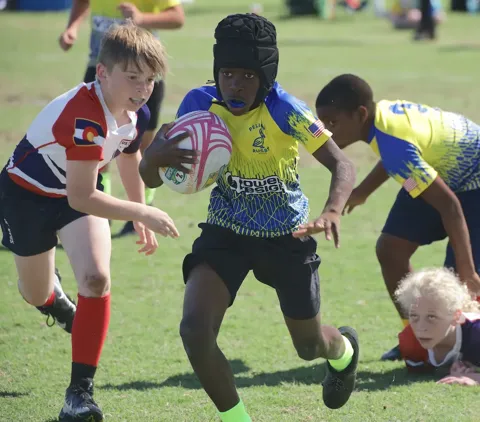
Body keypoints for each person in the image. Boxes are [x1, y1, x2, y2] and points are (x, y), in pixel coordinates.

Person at [140, 13, 360, 421]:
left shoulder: (286, 109)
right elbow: (150, 173)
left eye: (246, 75)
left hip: (286, 235)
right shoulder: (198, 105)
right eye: (227, 73)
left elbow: (343, 164)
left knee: (309, 347)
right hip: (225, 232)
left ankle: (343, 350)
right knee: (194, 331)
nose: (235, 84)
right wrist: (153, 159)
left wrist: (331, 210)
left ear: (266, 77)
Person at [0, 22, 179, 421]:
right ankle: (55, 303)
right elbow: (81, 195)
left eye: (150, 79)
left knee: (97, 279)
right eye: (133, 77)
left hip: (77, 192)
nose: (143, 88)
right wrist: (143, 211)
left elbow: (128, 156)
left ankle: (79, 396)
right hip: (26, 198)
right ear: (102, 73)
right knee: (34, 293)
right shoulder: (85, 115)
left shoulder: (136, 109)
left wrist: (138, 211)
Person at [314, 73, 480, 362]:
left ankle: (461, 353)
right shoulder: (382, 120)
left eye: (333, 122)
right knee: (391, 249)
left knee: (457, 284)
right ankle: (416, 337)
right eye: (322, 123)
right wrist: (362, 192)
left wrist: (467, 269)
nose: (326, 131)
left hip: (473, 183)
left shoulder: (393, 143)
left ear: (360, 113)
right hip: (436, 171)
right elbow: (395, 154)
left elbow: (450, 206)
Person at [58, 0, 185, 236]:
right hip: (102, 67)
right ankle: (99, 212)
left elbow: (177, 17)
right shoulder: (88, 98)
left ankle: (142, 208)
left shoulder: (143, 91)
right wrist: (73, 26)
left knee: (141, 146)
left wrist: (141, 19)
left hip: (144, 72)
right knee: (96, 148)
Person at [394, 267, 480, 385]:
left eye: (431, 317)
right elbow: (422, 372)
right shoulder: (410, 341)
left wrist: (474, 378)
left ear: (456, 316)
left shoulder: (476, 334)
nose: (421, 327)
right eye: (414, 316)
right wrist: (447, 370)